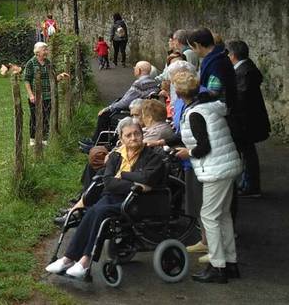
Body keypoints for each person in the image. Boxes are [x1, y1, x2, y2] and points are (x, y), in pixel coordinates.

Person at [46, 118, 167, 278]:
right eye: (128, 135)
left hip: (137, 200)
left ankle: (85, 260)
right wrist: (132, 181)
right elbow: (108, 183)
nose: (133, 138)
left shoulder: (153, 156)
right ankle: (69, 258)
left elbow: (146, 178)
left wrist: (122, 175)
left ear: (142, 135)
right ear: (121, 138)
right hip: (113, 195)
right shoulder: (116, 156)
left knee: (100, 212)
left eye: (136, 133)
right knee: (92, 211)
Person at [169, 72, 242, 284]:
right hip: (226, 165)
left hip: (215, 169)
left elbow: (203, 147)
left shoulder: (195, 113)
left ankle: (217, 266)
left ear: (180, 93)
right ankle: (230, 262)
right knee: (223, 215)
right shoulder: (208, 106)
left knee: (209, 216)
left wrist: (187, 153)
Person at [225, 40, 270, 197]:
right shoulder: (247, 69)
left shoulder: (244, 72)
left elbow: (240, 98)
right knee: (247, 153)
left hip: (244, 121)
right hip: (246, 120)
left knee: (248, 154)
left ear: (232, 55)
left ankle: (251, 186)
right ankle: (247, 184)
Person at [81, 61, 159, 144]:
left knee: (104, 114)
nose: (134, 69)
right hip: (143, 110)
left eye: (135, 68)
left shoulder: (139, 84)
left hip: (133, 110)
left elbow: (125, 102)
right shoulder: (153, 83)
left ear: (139, 70)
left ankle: (97, 141)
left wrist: (109, 107)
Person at [23, 42, 69, 146]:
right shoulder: (31, 63)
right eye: (44, 50)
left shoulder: (48, 63)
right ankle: (33, 139)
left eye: (47, 49)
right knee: (34, 117)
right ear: (37, 52)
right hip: (35, 96)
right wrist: (31, 95)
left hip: (47, 95)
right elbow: (26, 80)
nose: (47, 52)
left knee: (46, 117)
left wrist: (61, 76)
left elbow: (52, 79)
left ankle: (44, 138)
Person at [187, 28, 236, 111]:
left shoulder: (216, 63)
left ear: (197, 45)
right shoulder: (221, 55)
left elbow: (214, 91)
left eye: (192, 48)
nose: (193, 51)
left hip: (219, 111)